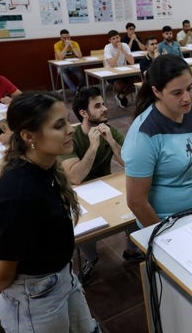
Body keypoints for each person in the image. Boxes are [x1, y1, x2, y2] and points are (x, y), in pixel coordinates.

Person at [0, 92, 100, 333]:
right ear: (28, 136)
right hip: (35, 296)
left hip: (62, 277)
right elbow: (1, 277)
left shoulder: (46, 168)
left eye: (67, 120)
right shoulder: (16, 193)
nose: (70, 129)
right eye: (59, 125)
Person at [122, 54, 192, 227]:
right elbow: (136, 202)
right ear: (156, 91)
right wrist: (165, 236)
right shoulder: (144, 134)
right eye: (177, 93)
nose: (187, 98)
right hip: (168, 219)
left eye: (189, 88)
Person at [60, 87, 139, 283]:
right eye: (98, 106)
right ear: (83, 113)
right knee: (86, 225)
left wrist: (111, 142)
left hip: (106, 187)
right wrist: (93, 146)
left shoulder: (109, 131)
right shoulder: (70, 138)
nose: (105, 108)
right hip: (79, 194)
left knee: (135, 203)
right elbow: (75, 177)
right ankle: (91, 259)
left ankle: (132, 249)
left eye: (103, 104)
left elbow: (129, 163)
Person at [104, 29, 135, 108]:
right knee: (120, 86)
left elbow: (131, 62)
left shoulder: (125, 45)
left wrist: (123, 50)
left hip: (124, 72)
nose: (116, 40)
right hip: (111, 73)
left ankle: (121, 96)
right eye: (113, 39)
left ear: (120, 37)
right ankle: (122, 95)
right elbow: (112, 65)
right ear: (110, 40)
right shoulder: (108, 48)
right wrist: (118, 51)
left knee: (138, 82)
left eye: (117, 37)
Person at [53, 29, 84, 93]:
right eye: (64, 38)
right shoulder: (57, 45)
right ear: (61, 38)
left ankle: (78, 88)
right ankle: (74, 91)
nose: (67, 39)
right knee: (62, 74)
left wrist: (72, 46)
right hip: (61, 65)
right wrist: (66, 46)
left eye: (68, 37)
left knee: (80, 75)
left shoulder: (74, 43)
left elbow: (79, 56)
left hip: (73, 64)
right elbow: (61, 57)